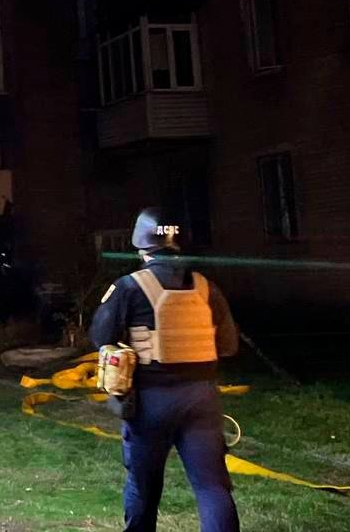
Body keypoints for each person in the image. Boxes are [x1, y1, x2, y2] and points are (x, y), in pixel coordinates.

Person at [89, 206, 240, 532]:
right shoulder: (205, 288)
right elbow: (228, 345)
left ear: (141, 248)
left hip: (149, 403)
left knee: (144, 488)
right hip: (202, 400)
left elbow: (100, 337)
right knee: (212, 487)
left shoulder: (128, 287)